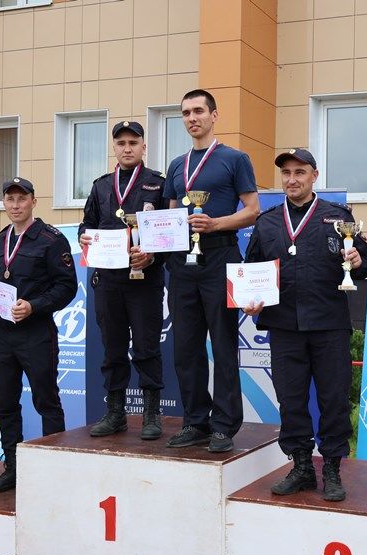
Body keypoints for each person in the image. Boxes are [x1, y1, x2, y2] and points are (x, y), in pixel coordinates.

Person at [243, 148, 367, 501]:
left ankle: (331, 468)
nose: (292, 179)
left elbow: (364, 268)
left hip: (329, 326)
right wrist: (249, 300)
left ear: (314, 175)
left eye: (299, 172)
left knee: (333, 399)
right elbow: (251, 270)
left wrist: (357, 260)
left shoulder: (338, 218)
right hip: (284, 326)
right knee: (291, 400)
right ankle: (301, 465)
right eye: (286, 173)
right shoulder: (267, 222)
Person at [162, 89, 260, 453]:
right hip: (182, 261)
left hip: (220, 255)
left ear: (214, 115)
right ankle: (195, 421)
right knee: (185, 347)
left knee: (222, 343)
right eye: (186, 112)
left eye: (199, 111)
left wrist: (215, 224)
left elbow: (252, 210)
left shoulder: (235, 159)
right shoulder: (177, 165)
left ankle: (224, 425)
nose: (192, 118)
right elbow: (171, 214)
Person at [0, 177, 78, 494]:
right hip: (1, 334)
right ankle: (13, 468)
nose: (16, 205)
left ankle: (54, 471)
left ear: (33, 201)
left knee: (46, 401)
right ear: (4, 203)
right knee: (5, 402)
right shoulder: (1, 238)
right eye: (10, 199)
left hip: (36, 333)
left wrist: (34, 306)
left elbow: (66, 287)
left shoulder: (51, 239)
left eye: (22, 199)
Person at [79, 121, 168, 440]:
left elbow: (170, 232)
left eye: (133, 142)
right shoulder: (101, 186)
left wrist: (152, 255)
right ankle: (115, 412)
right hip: (109, 280)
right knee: (112, 348)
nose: (127, 148)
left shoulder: (158, 184)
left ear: (144, 146)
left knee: (147, 347)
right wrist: (84, 239)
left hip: (145, 280)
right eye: (121, 143)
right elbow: (86, 225)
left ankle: (151, 414)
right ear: (114, 148)